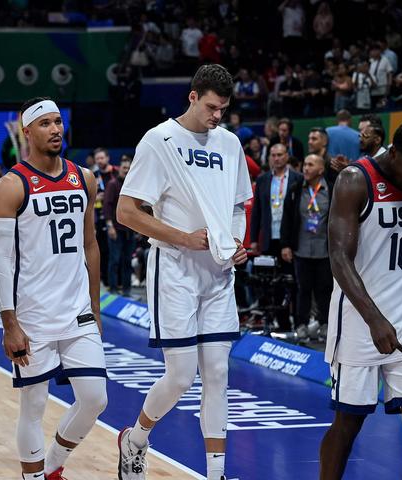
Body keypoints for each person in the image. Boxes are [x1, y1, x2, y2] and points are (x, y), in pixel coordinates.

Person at [116, 64, 252, 480]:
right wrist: (182, 237)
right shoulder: (159, 140)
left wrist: (235, 242)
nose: (217, 116)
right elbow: (126, 212)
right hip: (174, 267)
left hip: (218, 273)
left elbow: (237, 205)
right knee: (180, 376)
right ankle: (136, 438)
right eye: (212, 107)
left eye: (224, 109)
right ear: (193, 96)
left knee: (217, 373)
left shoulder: (229, 144)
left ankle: (217, 474)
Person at [0, 97, 106, 480]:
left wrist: (96, 307)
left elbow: (90, 244)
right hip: (32, 316)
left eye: (58, 122)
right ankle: (33, 476)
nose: (55, 129)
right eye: (45, 124)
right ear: (27, 132)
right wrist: (9, 323)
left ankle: (52, 464)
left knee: (94, 399)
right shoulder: (10, 186)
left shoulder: (83, 177)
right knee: (33, 406)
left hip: (77, 311)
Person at [320, 120, 402, 480]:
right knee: (348, 423)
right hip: (359, 322)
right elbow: (338, 256)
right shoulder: (357, 180)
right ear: (394, 153)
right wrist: (374, 319)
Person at [280, 153, 332, 343]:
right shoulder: (295, 190)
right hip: (301, 249)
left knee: (324, 289)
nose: (306, 168)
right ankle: (300, 325)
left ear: (321, 169)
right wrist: (286, 244)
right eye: (305, 165)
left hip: (324, 250)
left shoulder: (331, 190)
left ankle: (325, 324)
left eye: (311, 165)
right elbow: (287, 220)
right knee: (302, 289)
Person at [104, 157, 135, 297]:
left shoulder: (134, 184)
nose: (127, 170)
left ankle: (127, 291)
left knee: (127, 261)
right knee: (115, 260)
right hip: (116, 229)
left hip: (130, 230)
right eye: (124, 168)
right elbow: (107, 207)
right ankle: (113, 289)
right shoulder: (112, 184)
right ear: (119, 168)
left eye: (129, 168)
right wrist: (110, 226)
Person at [327, 110, 358, 175]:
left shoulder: (326, 132)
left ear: (337, 119)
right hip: (353, 173)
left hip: (330, 173)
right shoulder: (358, 135)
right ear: (350, 120)